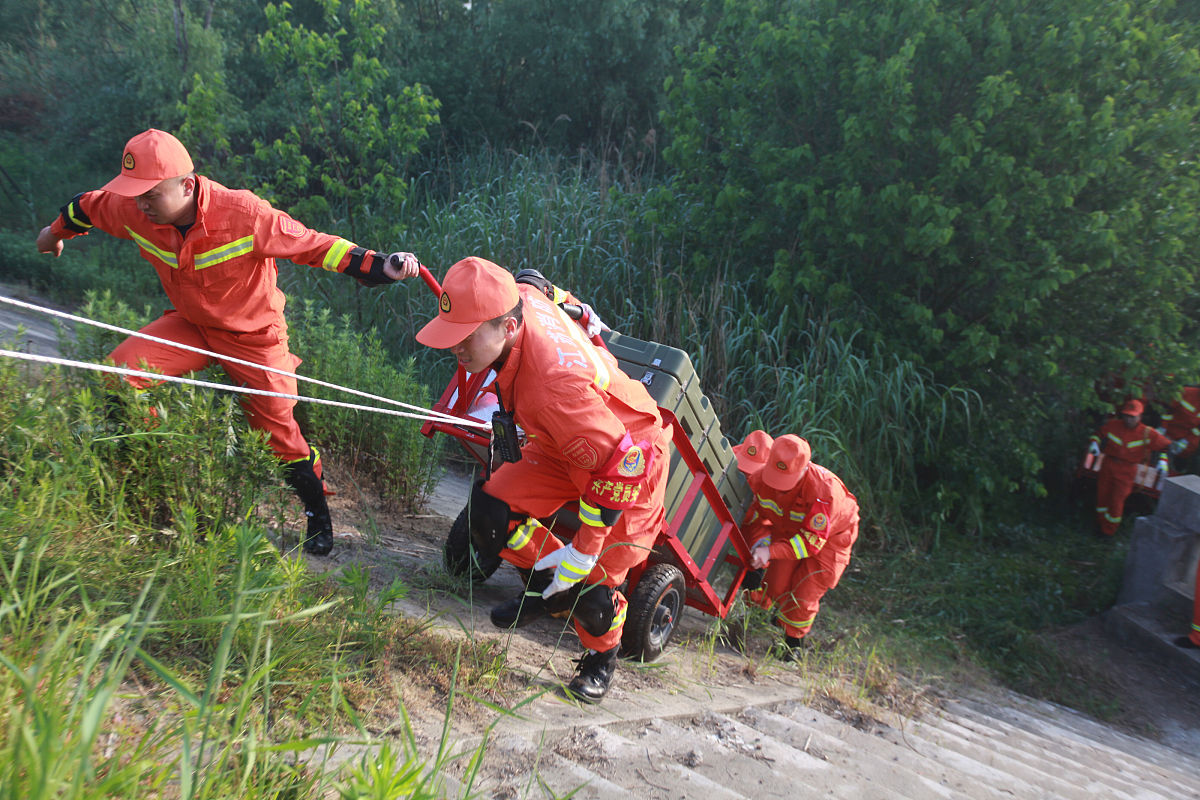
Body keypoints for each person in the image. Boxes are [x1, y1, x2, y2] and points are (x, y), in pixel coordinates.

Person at [35, 128, 421, 556]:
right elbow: (85, 207)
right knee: (119, 375)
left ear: (187, 184)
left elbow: (318, 247)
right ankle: (155, 472)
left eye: (151, 194)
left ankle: (317, 515)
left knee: (277, 436)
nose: (141, 204)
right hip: (191, 326)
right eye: (135, 194)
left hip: (254, 337)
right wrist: (53, 234)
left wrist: (382, 266)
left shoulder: (245, 213)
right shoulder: (131, 210)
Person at [415, 257, 670, 704]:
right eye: (452, 331)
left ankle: (600, 658)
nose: (456, 346)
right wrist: (568, 302)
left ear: (509, 327)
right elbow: (538, 286)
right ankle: (549, 584)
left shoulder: (554, 385)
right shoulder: (521, 297)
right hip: (561, 441)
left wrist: (582, 555)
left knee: (593, 588)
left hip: (628, 456)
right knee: (490, 511)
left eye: (467, 335)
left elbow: (619, 465)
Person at [742, 434, 859, 660]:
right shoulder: (760, 479)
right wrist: (756, 547)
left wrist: (770, 551)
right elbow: (750, 517)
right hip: (789, 532)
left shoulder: (825, 492)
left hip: (831, 541)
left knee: (805, 590)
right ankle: (764, 617)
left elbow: (810, 542)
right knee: (776, 583)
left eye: (785, 483)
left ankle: (792, 645)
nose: (778, 489)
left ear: (804, 471)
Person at [1088, 398, 1178, 537]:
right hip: (1108, 465)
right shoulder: (1113, 425)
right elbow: (1098, 434)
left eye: (1132, 417)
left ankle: (1108, 531)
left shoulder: (1147, 433)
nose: (1129, 419)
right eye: (1127, 416)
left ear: (1140, 416)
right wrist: (1094, 443)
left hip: (1127, 470)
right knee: (1102, 496)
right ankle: (1099, 523)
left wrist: (1163, 461)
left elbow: (1166, 446)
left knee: (1116, 502)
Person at [1160, 386, 1200, 469]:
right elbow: (1167, 408)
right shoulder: (1185, 392)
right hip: (1167, 432)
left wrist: (1186, 441)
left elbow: (1198, 430)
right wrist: (1162, 428)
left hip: (1184, 443)